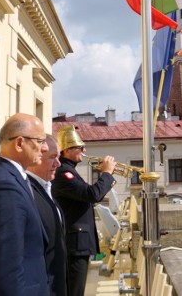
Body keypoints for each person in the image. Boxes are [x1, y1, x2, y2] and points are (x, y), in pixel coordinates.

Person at [0, 113, 50, 296]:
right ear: (20, 143)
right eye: (40, 140)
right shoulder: (4, 187)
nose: (44, 148)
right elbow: (7, 271)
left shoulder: (11, 178)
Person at [52, 125, 116, 296]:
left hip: (78, 243)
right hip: (75, 245)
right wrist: (107, 174)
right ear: (67, 150)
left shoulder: (69, 171)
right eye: (80, 147)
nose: (84, 150)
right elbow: (92, 194)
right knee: (74, 290)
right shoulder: (64, 173)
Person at [28, 135, 68, 296]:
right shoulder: (27, 192)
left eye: (58, 157)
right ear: (36, 156)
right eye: (53, 157)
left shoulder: (45, 187)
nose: (58, 163)